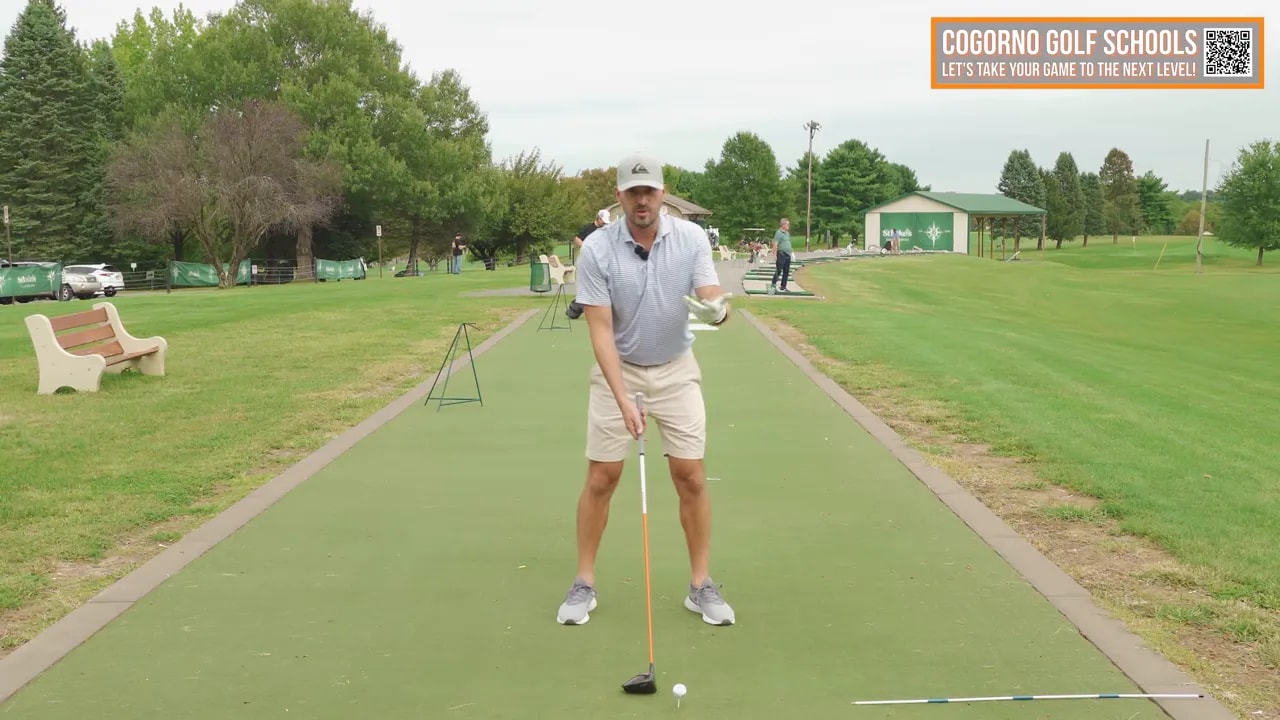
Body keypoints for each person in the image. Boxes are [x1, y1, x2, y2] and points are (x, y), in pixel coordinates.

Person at [555, 151, 736, 628]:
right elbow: (599, 331)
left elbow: (708, 294)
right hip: (622, 369)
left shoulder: (692, 239)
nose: (641, 200)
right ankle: (584, 583)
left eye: (649, 191)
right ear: (618, 197)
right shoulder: (596, 249)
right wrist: (622, 399)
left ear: (662, 194)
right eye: (632, 192)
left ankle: (701, 585)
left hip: (677, 368)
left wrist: (717, 309)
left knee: (690, 475)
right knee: (602, 478)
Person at [565, 209, 611, 320]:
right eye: (603, 221)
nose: (604, 224)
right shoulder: (588, 228)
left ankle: (574, 310)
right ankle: (574, 309)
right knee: (590, 288)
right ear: (598, 218)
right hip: (586, 261)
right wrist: (587, 247)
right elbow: (577, 239)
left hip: (599, 262)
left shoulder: (605, 231)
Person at [771, 217, 792, 292]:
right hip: (781, 254)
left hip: (787, 254)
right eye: (787, 224)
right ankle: (773, 284)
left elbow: (788, 243)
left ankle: (783, 286)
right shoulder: (779, 232)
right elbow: (775, 244)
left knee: (786, 271)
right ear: (783, 225)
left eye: (789, 224)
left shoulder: (787, 233)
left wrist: (791, 252)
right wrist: (774, 255)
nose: (789, 225)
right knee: (779, 270)